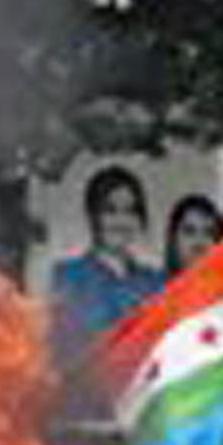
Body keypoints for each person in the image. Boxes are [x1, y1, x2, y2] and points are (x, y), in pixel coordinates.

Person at [49, 165, 165, 425]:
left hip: (144, 419)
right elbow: (62, 354)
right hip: (85, 419)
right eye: (110, 210)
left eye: (130, 211)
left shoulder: (155, 282)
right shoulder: (67, 277)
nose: (121, 221)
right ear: (93, 216)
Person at [165, 194, 222, 276]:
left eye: (208, 233)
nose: (199, 241)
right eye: (189, 232)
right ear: (173, 240)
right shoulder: (156, 286)